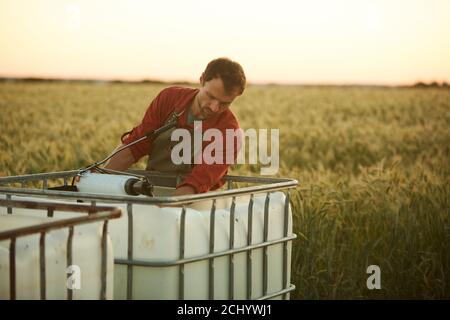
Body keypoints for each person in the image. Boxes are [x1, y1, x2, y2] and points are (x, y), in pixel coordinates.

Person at [104, 57, 246, 196]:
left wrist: (164, 211)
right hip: (151, 191)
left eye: (225, 103)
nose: (214, 108)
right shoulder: (169, 99)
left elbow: (196, 183)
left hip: (195, 204)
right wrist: (98, 179)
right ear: (202, 80)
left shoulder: (229, 131)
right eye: (210, 96)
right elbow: (136, 146)